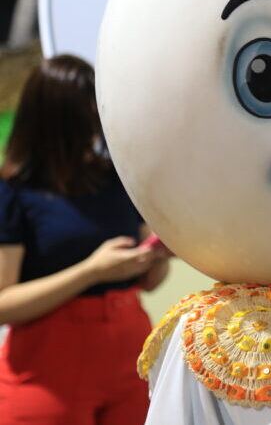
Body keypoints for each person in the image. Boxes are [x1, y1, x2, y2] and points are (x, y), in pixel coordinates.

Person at [0, 55, 170, 424]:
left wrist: (158, 255)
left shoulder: (114, 178)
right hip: (48, 365)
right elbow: (3, 302)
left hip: (129, 348)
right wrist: (91, 272)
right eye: (87, 114)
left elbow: (149, 282)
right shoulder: (15, 191)